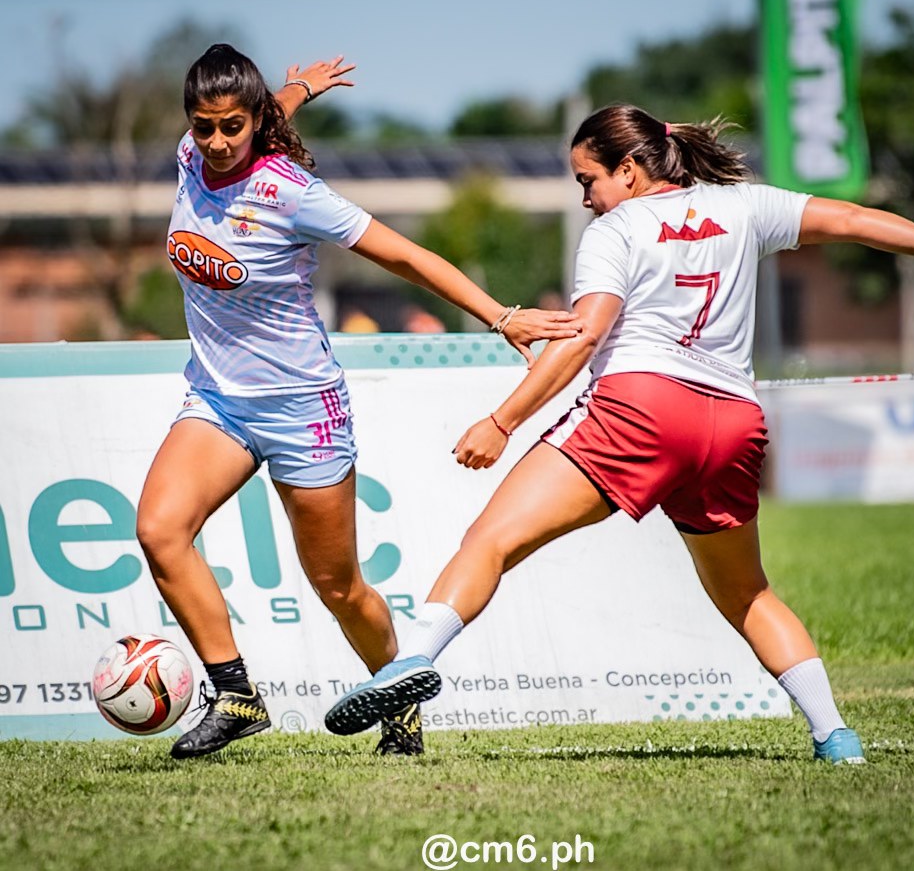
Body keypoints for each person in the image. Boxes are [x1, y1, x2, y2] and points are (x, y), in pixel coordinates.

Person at [323, 103, 914, 764]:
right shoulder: (745, 206)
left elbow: (584, 336)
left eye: (587, 180)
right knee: (748, 594)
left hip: (640, 411)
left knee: (490, 540)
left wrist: (502, 421)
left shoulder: (615, 231)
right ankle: (836, 736)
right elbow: (853, 220)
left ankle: (412, 660)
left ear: (627, 170)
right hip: (731, 425)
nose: (585, 198)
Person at [135, 44, 582, 760]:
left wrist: (500, 315)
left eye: (231, 127)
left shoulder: (289, 192)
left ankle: (399, 704)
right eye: (203, 125)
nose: (216, 142)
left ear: (254, 122)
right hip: (217, 400)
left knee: (338, 587)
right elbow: (260, 112)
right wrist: (300, 88)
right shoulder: (191, 157)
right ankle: (237, 696)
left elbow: (405, 255)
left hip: (302, 410)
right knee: (160, 531)